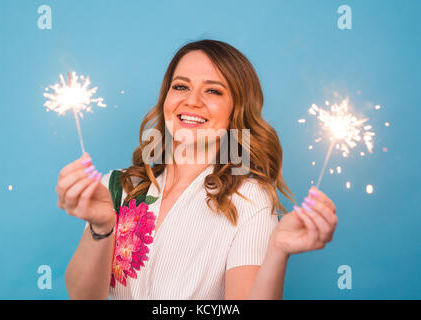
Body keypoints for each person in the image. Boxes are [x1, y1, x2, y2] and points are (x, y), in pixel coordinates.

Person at [58, 39, 337, 300]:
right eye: (181, 86)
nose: (192, 101)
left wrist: (278, 251)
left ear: (236, 111)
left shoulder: (249, 200)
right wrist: (102, 226)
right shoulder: (120, 185)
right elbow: (83, 296)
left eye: (213, 90)